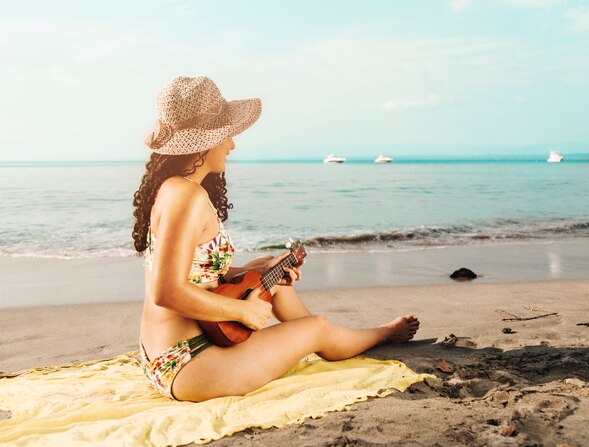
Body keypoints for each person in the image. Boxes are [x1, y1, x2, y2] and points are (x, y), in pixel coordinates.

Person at [132, 76, 420, 402]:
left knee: (275, 284)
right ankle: (380, 334)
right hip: (189, 364)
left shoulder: (175, 190)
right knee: (318, 327)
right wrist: (244, 313)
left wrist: (262, 266)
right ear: (206, 140)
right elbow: (166, 291)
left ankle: (321, 337)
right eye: (227, 135)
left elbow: (198, 275)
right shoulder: (185, 196)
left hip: (171, 356)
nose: (232, 145)